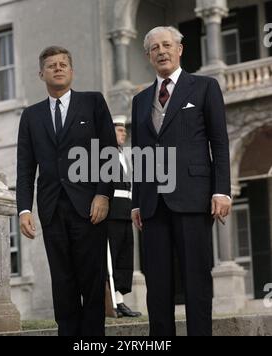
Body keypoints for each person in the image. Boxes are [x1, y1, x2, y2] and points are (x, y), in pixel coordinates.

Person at [131, 27, 232, 336]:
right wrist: (136, 202)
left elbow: (219, 141)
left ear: (179, 50)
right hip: (152, 202)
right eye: (154, 48)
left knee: (196, 279)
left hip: (193, 196)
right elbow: (139, 154)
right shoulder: (140, 100)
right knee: (157, 283)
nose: (161, 51)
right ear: (148, 56)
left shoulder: (204, 87)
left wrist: (222, 190)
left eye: (167, 45)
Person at [16, 46, 117, 336]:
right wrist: (24, 209)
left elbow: (108, 151)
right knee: (62, 282)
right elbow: (25, 167)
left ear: (71, 71)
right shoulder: (31, 116)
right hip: (51, 210)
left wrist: (103, 194)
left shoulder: (93, 103)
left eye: (63, 64)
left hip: (89, 207)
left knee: (92, 280)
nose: (58, 68)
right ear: (41, 73)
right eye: (51, 65)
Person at [107, 116, 142, 318]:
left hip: (125, 211)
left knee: (123, 258)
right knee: (111, 259)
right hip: (111, 212)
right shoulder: (102, 155)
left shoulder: (123, 155)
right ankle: (112, 302)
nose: (124, 133)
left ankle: (120, 300)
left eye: (124, 130)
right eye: (119, 130)